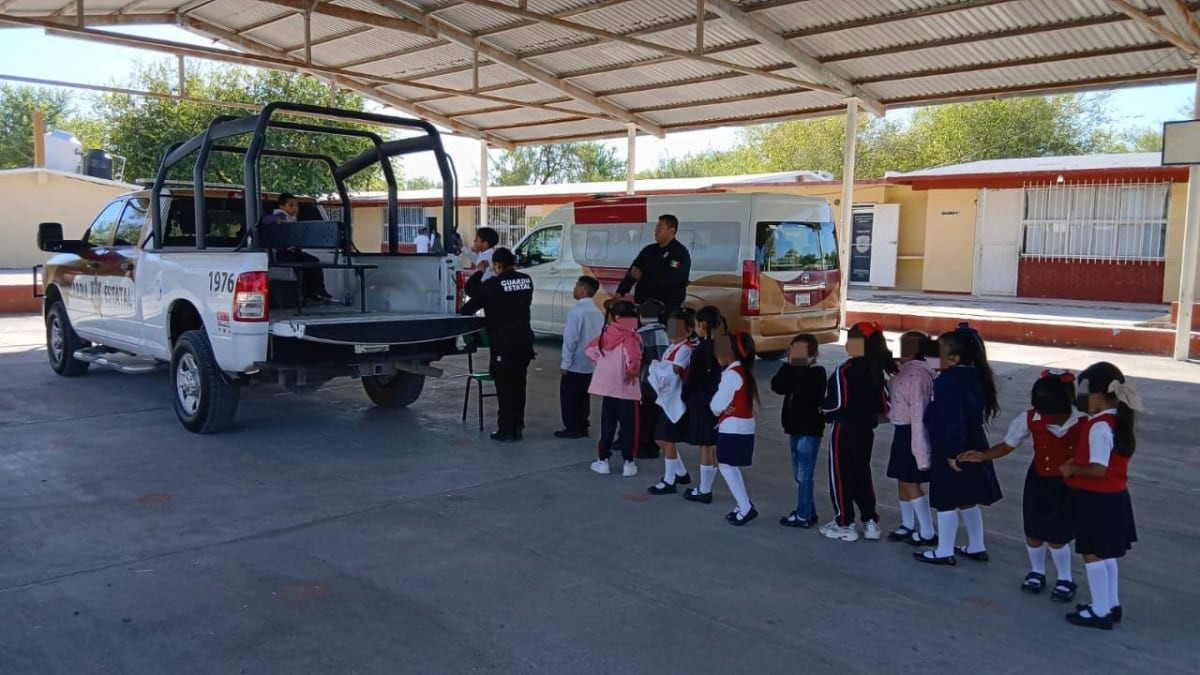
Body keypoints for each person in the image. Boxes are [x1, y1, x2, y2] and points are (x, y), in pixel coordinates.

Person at [959, 370, 1083, 601]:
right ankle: (1037, 571)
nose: (1047, 419)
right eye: (1042, 412)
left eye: (1052, 415)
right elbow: (1007, 445)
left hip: (1068, 484)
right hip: (1038, 480)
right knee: (1033, 530)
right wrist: (983, 456)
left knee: (1058, 535)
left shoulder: (1083, 420)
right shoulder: (1028, 419)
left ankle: (1065, 578)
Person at [913, 323, 1003, 566]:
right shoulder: (973, 376)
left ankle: (943, 550)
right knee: (966, 497)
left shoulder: (948, 382)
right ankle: (976, 545)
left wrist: (952, 452)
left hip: (952, 447)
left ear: (953, 359)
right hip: (974, 443)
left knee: (946, 499)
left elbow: (952, 419)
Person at [1062, 362, 1141, 630]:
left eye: (1084, 391)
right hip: (1115, 497)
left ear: (1099, 394)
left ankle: (1099, 611)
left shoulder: (1098, 428)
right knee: (1107, 554)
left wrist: (1072, 467)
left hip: (1096, 499)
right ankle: (1110, 603)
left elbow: (1098, 469)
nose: (1081, 397)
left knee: (1092, 554)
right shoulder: (1116, 417)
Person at [820, 321, 895, 543]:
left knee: (841, 475)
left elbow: (836, 403)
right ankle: (870, 521)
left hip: (844, 429)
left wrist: (822, 408)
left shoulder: (846, 370)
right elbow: (884, 403)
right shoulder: (877, 370)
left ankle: (844, 523)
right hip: (866, 430)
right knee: (862, 473)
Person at [459, 247, 535, 443]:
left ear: (497, 265)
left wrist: (479, 271)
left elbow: (470, 296)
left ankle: (506, 430)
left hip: (504, 344)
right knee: (520, 385)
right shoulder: (526, 280)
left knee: (505, 386)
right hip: (525, 341)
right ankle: (517, 426)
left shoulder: (493, 285)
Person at [885, 331, 940, 546]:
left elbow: (919, 413)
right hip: (902, 430)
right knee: (902, 479)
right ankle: (907, 524)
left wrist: (920, 448)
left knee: (910, 481)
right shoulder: (905, 370)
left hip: (911, 432)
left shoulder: (917, 375)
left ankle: (927, 531)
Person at [771, 333, 827, 529]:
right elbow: (777, 386)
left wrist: (798, 366)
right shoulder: (791, 371)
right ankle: (809, 511)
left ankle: (802, 515)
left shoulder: (817, 373)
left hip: (809, 430)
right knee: (799, 473)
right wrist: (787, 365)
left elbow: (808, 391)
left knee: (804, 474)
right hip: (793, 427)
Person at [586, 300, 643, 477]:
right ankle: (628, 462)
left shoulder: (606, 334)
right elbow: (632, 359)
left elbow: (589, 350)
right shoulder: (631, 337)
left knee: (607, 425)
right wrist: (632, 371)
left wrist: (603, 365)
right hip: (627, 388)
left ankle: (603, 460)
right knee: (629, 426)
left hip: (608, 387)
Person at [712, 331, 760, 526]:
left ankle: (745, 507)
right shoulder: (744, 371)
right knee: (729, 465)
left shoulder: (731, 374)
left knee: (725, 465)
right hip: (743, 425)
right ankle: (743, 504)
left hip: (732, 426)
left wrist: (720, 407)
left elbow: (716, 405)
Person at [646, 308, 695, 495]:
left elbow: (674, 371)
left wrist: (658, 367)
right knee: (662, 439)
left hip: (675, 398)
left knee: (665, 439)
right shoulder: (671, 348)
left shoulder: (684, 349)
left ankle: (669, 480)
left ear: (688, 330)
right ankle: (680, 472)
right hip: (666, 397)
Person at [682, 305, 726, 504]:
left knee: (705, 446)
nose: (696, 329)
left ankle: (704, 489)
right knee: (714, 444)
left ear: (704, 324)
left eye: (697, 325)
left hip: (702, 400)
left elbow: (693, 378)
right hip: (721, 400)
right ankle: (707, 484)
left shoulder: (701, 349)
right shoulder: (724, 343)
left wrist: (685, 396)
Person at [557, 276, 604, 439]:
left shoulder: (576, 312)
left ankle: (572, 426)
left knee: (569, 396)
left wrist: (565, 362)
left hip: (575, 362)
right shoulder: (597, 312)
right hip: (590, 362)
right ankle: (583, 424)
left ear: (583, 289)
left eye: (576, 286)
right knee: (584, 396)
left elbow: (571, 339)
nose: (574, 289)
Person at [615, 214, 691, 313]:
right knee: (632, 324)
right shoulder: (649, 250)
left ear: (671, 231)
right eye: (656, 228)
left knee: (669, 328)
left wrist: (643, 277)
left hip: (667, 307)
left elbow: (671, 278)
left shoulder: (679, 253)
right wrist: (621, 291)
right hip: (643, 304)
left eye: (659, 228)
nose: (656, 231)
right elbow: (634, 270)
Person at [271, 192, 331, 302]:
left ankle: (315, 290)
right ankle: (310, 292)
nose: (295, 208)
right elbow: (266, 219)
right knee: (305, 266)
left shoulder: (292, 218)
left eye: (296, 205)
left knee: (313, 262)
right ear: (282, 207)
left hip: (294, 252)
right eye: (291, 205)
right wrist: (275, 220)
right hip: (285, 253)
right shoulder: (280, 215)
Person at [636, 300, 670, 459]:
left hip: (646, 381)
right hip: (661, 384)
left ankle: (644, 447)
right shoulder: (664, 334)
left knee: (646, 416)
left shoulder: (641, 335)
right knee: (656, 415)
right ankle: (654, 448)